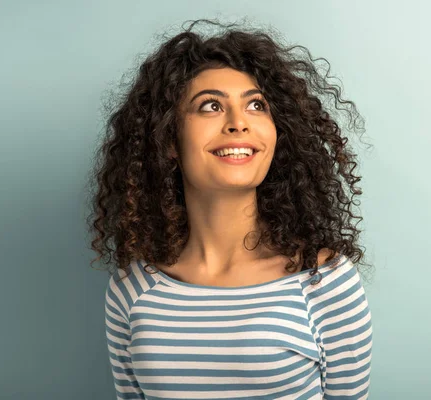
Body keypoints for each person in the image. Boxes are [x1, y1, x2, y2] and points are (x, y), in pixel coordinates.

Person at [86, 18, 373, 399]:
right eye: (210, 106)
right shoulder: (132, 289)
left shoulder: (325, 282)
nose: (239, 123)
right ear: (168, 139)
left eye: (256, 105)